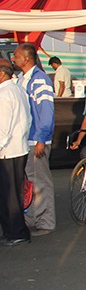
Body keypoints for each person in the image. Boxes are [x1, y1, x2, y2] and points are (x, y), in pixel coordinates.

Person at [12, 43, 55, 237]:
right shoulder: (22, 79)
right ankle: (31, 218)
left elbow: (46, 111)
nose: (14, 59)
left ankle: (46, 222)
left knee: (40, 182)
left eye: (16, 56)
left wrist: (41, 139)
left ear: (26, 58)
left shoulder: (40, 80)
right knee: (29, 183)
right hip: (24, 140)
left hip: (36, 140)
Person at [0, 59, 32, 246]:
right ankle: (12, 231)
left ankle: (17, 232)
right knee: (11, 193)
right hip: (18, 147)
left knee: (9, 195)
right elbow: (27, 119)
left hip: (8, 151)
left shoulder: (5, 94)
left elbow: (3, 128)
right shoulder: (17, 89)